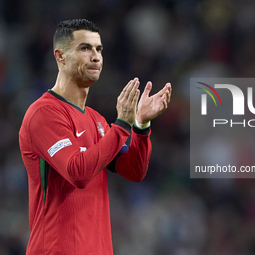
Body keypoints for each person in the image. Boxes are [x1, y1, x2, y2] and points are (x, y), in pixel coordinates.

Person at [19, 19, 171, 255]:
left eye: (99, 49)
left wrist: (140, 125)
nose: (96, 56)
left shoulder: (97, 121)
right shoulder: (44, 114)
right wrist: (121, 125)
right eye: (85, 48)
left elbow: (134, 170)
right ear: (60, 56)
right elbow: (77, 173)